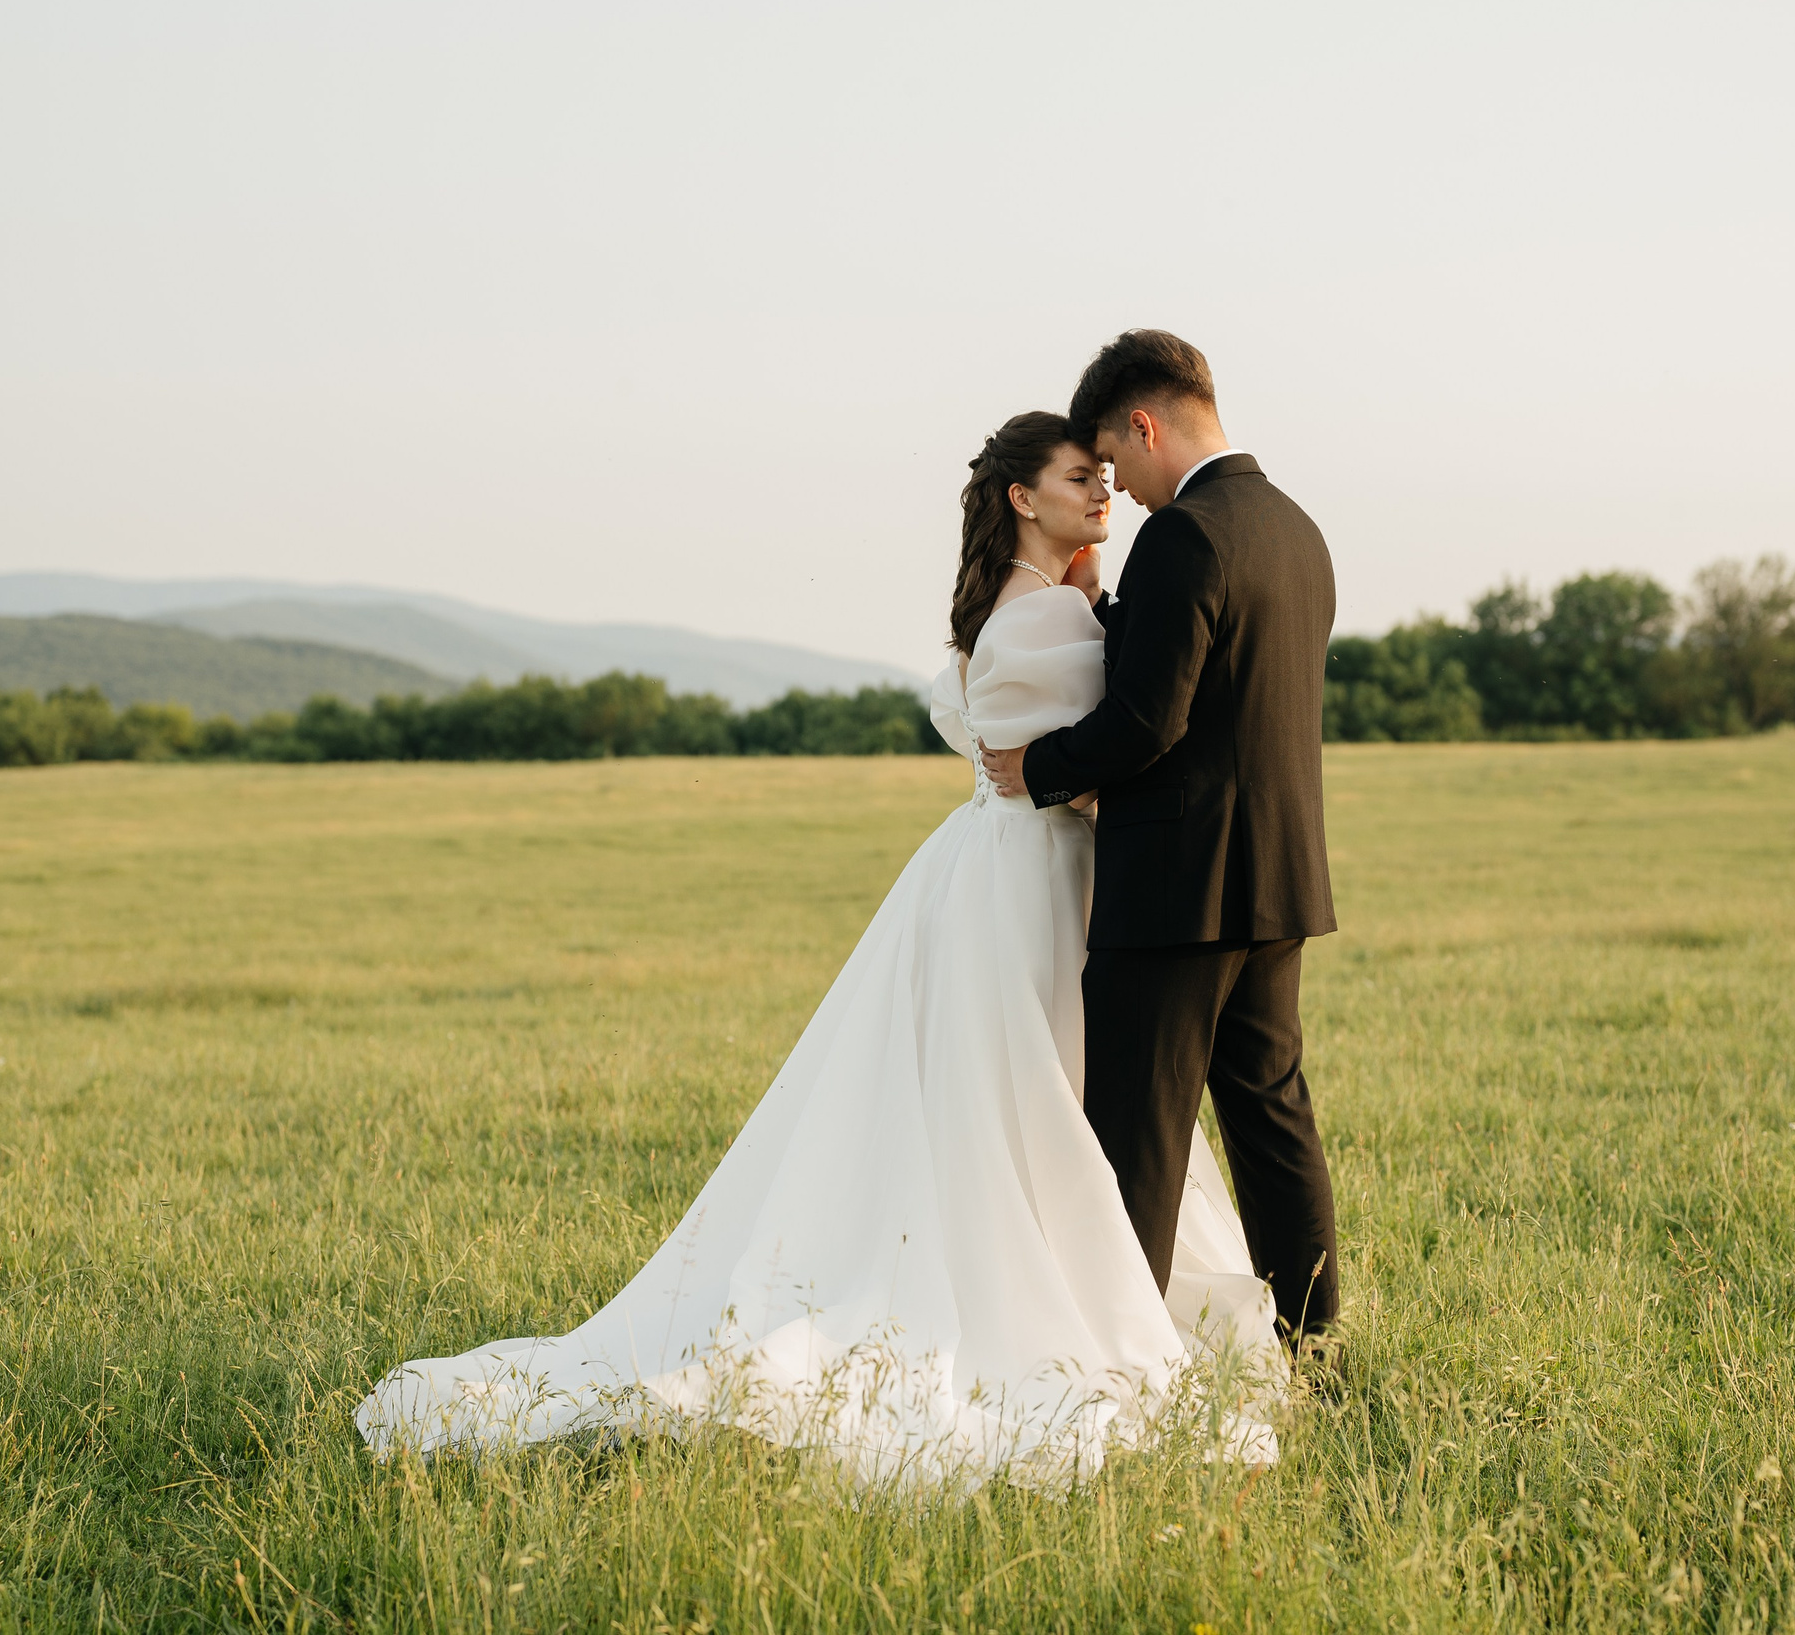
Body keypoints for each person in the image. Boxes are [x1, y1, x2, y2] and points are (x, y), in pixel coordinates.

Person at [356, 410, 1280, 1488]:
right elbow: (1118, 738)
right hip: (1036, 875)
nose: (1104, 493)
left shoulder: (1030, 608)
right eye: (1081, 478)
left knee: (1041, 1090)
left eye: (1104, 476)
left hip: (1006, 868)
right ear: (1022, 498)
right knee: (1045, 1091)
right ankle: (1055, 1290)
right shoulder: (1048, 625)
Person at [978, 330, 1341, 1352]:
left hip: (1178, 886)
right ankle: (1315, 1349)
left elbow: (1150, 719)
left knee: (1134, 1137)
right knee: (1272, 1123)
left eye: (1114, 459)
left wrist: (1037, 769)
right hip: (1278, 881)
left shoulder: (1186, 533)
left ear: (1145, 423)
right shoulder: (1295, 528)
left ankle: (1121, 1371)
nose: (1118, 489)